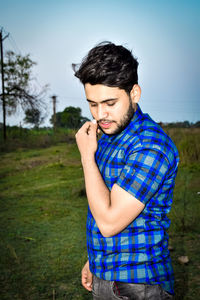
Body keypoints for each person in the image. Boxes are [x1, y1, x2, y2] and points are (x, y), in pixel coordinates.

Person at [73, 42, 179, 300]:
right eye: (93, 104)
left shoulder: (150, 145)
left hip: (140, 286)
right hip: (107, 276)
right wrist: (95, 261)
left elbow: (109, 222)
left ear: (134, 93)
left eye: (110, 102)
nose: (100, 114)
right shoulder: (110, 135)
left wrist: (87, 157)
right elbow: (103, 200)